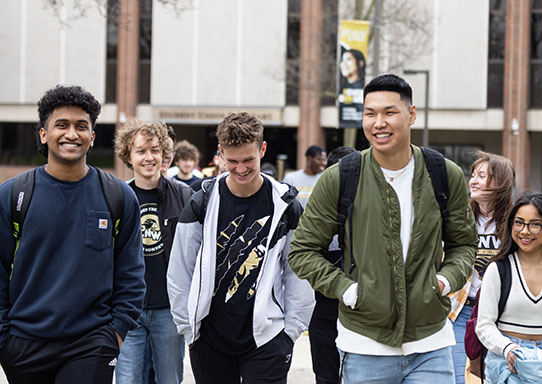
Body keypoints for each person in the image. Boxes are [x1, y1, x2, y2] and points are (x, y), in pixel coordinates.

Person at [289, 74, 478, 383]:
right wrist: (347, 290)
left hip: (431, 343)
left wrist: (444, 281)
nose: (378, 122)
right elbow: (303, 251)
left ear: (411, 114)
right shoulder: (340, 177)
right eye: (370, 113)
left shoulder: (445, 174)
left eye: (389, 112)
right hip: (364, 344)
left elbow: (464, 245)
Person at [0, 85, 145, 383]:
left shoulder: (118, 197)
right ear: (43, 134)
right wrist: (4, 339)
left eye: (81, 126)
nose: (71, 134)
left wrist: (115, 333)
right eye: (61, 125)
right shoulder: (14, 196)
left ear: (92, 137)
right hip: (23, 344)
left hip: (91, 343)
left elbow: (131, 273)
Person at [167, 112, 315, 384]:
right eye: (232, 161)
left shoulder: (286, 206)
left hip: (268, 338)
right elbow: (180, 270)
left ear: (263, 149)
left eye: (249, 160)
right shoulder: (202, 202)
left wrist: (291, 330)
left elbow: (299, 271)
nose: (241, 169)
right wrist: (189, 330)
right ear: (220, 153)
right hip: (209, 337)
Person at [114, 119, 190, 384]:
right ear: (128, 155)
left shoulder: (184, 196)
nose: (149, 157)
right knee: (127, 380)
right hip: (128, 311)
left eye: (155, 150)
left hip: (168, 311)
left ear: (164, 154)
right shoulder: (117, 196)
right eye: (141, 151)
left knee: (169, 380)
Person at [476, 192, 542, 384]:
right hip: (506, 362)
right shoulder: (498, 270)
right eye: (519, 222)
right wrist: (508, 348)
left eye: (535, 224)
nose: (525, 231)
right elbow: (484, 325)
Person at [448, 151, 515, 384]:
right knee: (455, 377)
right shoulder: (460, 218)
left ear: (500, 182)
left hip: (501, 315)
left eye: (482, 175)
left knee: (499, 378)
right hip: (461, 311)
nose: (473, 180)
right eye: (473, 174)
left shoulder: (515, 222)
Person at [308, 146, 357, 384]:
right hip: (323, 315)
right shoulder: (315, 211)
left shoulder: (371, 211)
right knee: (326, 378)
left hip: (362, 317)